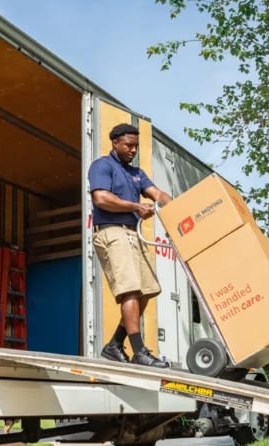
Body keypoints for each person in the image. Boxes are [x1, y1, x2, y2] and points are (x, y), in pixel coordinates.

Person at [88, 123, 173, 368]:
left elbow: (158, 195)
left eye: (135, 146)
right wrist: (136, 207)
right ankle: (139, 352)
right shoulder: (102, 166)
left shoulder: (136, 173)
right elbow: (101, 198)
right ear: (115, 142)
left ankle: (114, 345)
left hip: (131, 235)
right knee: (131, 291)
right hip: (111, 232)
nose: (133, 150)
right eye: (128, 145)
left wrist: (178, 209)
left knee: (148, 289)